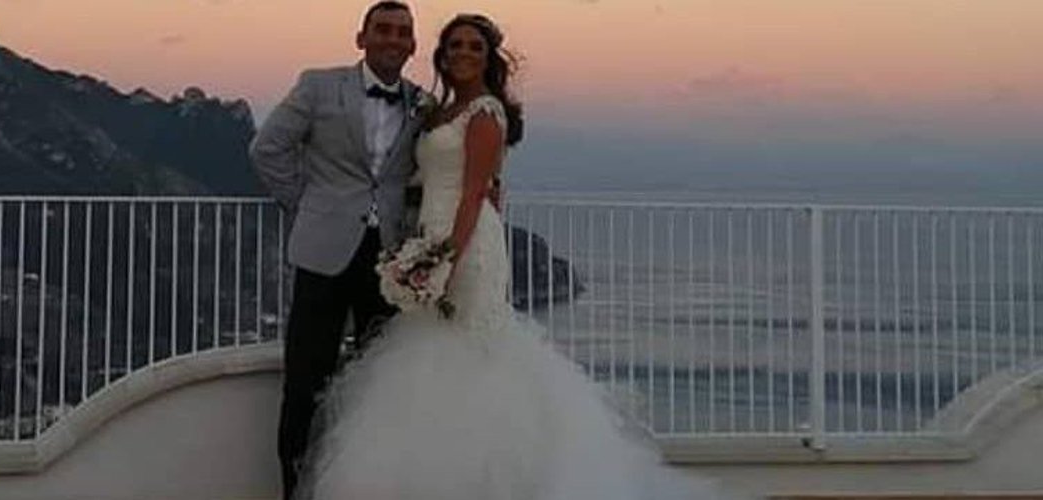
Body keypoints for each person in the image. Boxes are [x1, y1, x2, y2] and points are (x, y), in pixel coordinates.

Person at [296, 13, 734, 500]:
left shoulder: (485, 112)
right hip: (431, 236)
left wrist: (445, 258)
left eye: (475, 47)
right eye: (455, 45)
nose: (464, 53)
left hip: (464, 244)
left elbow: (473, 193)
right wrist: (419, 247)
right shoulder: (436, 110)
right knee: (427, 350)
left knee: (468, 350)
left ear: (489, 59)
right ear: (441, 55)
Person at [247, 2, 428, 498]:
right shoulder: (318, 85)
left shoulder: (423, 103)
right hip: (323, 252)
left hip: (389, 260)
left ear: (413, 45)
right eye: (383, 29)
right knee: (304, 382)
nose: (393, 39)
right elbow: (267, 150)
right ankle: (294, 490)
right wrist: (308, 206)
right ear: (361, 38)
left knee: (379, 382)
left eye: (403, 32)